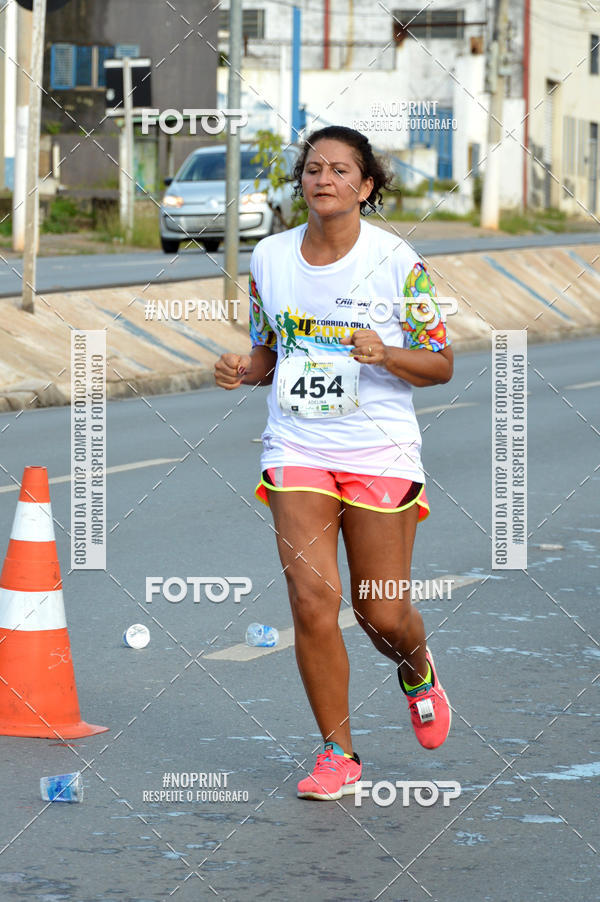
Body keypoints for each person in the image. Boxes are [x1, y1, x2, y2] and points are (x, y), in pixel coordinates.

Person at [215, 126, 453, 801]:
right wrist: (242, 367)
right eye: (314, 168)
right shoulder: (268, 258)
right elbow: (269, 352)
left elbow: (440, 363)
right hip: (297, 446)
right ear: (302, 182)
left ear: (366, 186)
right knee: (313, 600)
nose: (325, 179)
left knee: (382, 612)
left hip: (379, 445)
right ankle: (337, 753)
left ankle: (415, 667)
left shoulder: (395, 261)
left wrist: (387, 355)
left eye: (341, 170)